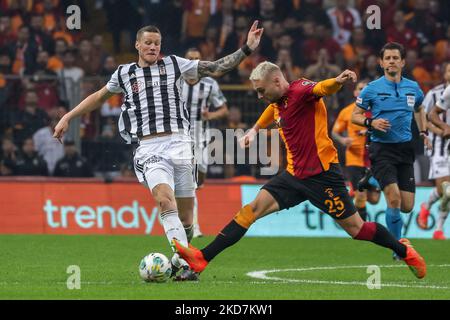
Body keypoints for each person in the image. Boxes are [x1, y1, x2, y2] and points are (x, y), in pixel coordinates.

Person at [173, 61, 427, 280]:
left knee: (357, 229)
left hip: (322, 176)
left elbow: (321, 88)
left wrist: (337, 81)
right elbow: (271, 111)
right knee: (249, 211)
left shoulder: (301, 90)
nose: (260, 96)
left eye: (261, 90)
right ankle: (202, 258)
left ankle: (405, 252)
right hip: (293, 175)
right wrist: (253, 130)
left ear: (276, 80)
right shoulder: (278, 101)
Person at [53, 22, 264, 281]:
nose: (153, 47)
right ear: (138, 45)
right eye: (148, 43)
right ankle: (186, 260)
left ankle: (180, 262)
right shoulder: (124, 73)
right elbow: (98, 97)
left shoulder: (174, 64)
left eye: (157, 43)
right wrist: (68, 116)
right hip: (148, 147)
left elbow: (216, 67)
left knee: (187, 218)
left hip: (181, 144)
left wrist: (246, 49)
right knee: (165, 200)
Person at [351, 42, 430, 257]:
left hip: (405, 149)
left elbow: (420, 109)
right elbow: (354, 116)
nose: (392, 61)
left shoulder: (413, 88)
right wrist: (371, 123)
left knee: (407, 206)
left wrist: (423, 133)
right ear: (381, 62)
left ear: (403, 62)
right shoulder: (372, 89)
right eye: (388, 58)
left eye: (396, 58)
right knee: (393, 198)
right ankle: (398, 249)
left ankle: (371, 180)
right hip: (382, 149)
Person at [182, 48, 229, 238]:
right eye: (190, 59)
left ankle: (192, 190)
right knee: (191, 183)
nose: (194, 62)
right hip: (180, 137)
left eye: (197, 59)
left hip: (202, 136)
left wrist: (211, 114)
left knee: (200, 176)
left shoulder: (210, 84)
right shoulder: (176, 82)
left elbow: (224, 110)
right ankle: (194, 226)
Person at [332, 80, 380, 221]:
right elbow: (335, 132)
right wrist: (343, 140)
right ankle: (362, 229)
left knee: (374, 199)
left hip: (373, 160)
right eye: (360, 88)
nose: (362, 91)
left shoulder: (377, 111)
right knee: (361, 196)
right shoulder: (347, 111)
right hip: (354, 159)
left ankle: (350, 193)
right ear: (355, 92)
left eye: (365, 89)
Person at [426, 64, 450, 240]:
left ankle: (438, 227)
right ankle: (439, 227)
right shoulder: (436, 93)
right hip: (440, 146)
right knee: (446, 191)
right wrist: (443, 128)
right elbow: (427, 116)